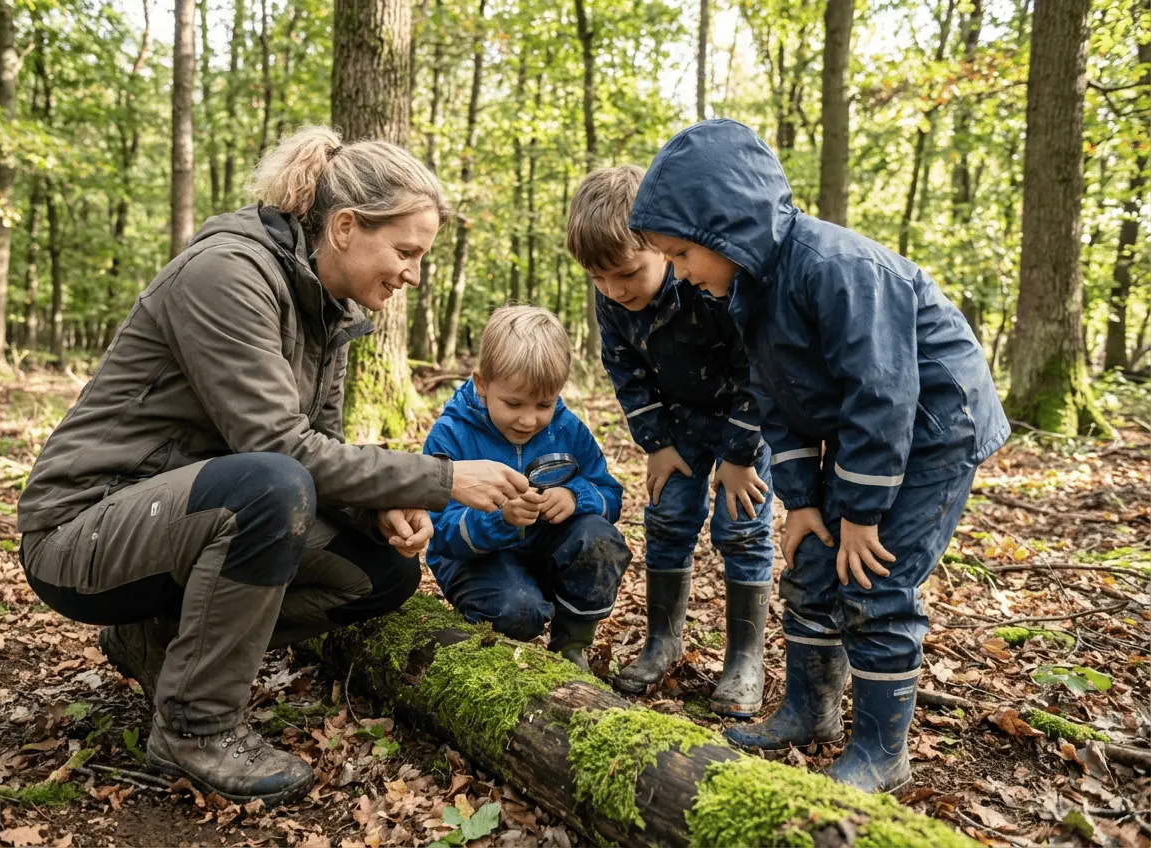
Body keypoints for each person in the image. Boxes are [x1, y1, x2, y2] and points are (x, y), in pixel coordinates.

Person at [16, 126, 528, 806]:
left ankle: (159, 644)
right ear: (345, 226)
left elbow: (318, 443)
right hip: (80, 534)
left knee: (382, 574)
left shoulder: (330, 308)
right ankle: (195, 727)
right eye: (406, 251)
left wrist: (375, 509)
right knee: (271, 485)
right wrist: (442, 479)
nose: (413, 273)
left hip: (187, 522)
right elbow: (280, 450)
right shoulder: (228, 272)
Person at [628, 119, 1009, 792]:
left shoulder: (836, 268)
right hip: (871, 434)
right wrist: (803, 501)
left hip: (934, 428)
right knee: (811, 557)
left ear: (727, 226)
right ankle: (810, 710)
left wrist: (861, 513)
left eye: (684, 254)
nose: (681, 274)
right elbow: (779, 401)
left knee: (875, 575)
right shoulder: (748, 292)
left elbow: (884, 393)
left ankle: (881, 754)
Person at [566, 165, 775, 715]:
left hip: (741, 421)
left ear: (661, 247)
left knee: (742, 527)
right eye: (598, 278)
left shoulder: (708, 283)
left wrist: (738, 455)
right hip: (674, 427)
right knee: (667, 518)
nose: (614, 290)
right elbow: (624, 371)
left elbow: (758, 368)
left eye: (628, 273)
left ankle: (744, 660)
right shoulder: (611, 298)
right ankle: (663, 641)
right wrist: (655, 442)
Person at [421, 306, 631, 670]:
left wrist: (574, 496)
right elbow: (440, 533)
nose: (529, 419)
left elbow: (609, 494)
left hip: (544, 548)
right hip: (477, 559)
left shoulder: (567, 430)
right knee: (518, 611)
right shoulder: (452, 434)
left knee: (599, 538)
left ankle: (571, 645)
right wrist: (501, 518)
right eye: (514, 404)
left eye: (544, 404)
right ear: (482, 384)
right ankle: (502, 642)